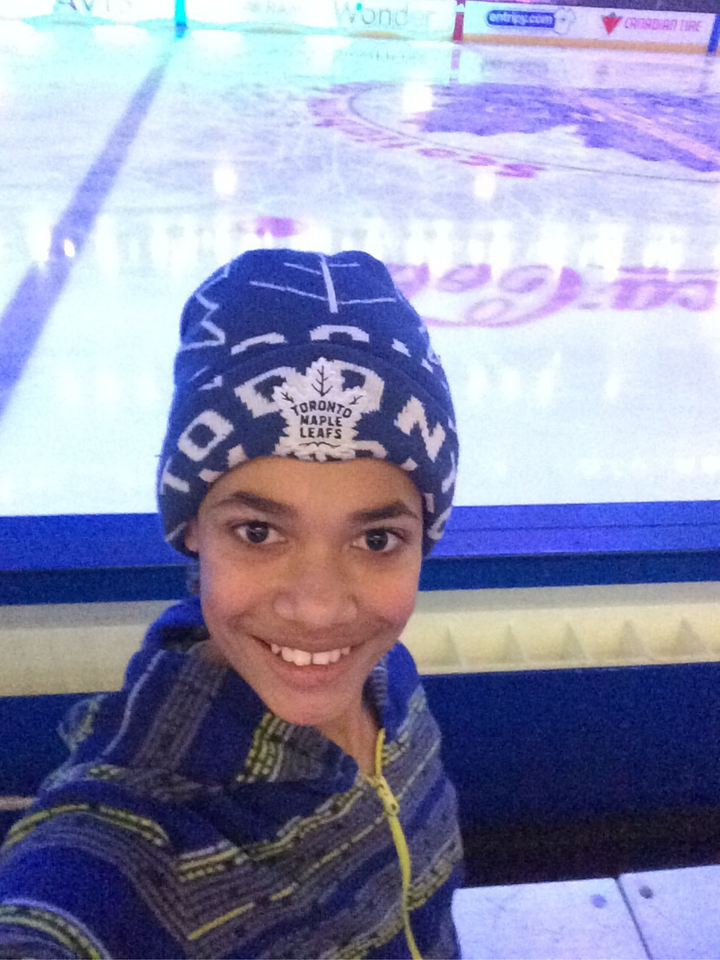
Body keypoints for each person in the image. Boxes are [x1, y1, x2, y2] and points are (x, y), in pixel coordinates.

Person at [0, 249, 463, 959]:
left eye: (375, 538)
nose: (318, 608)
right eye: (259, 532)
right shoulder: (134, 843)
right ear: (191, 529)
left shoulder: (387, 680)